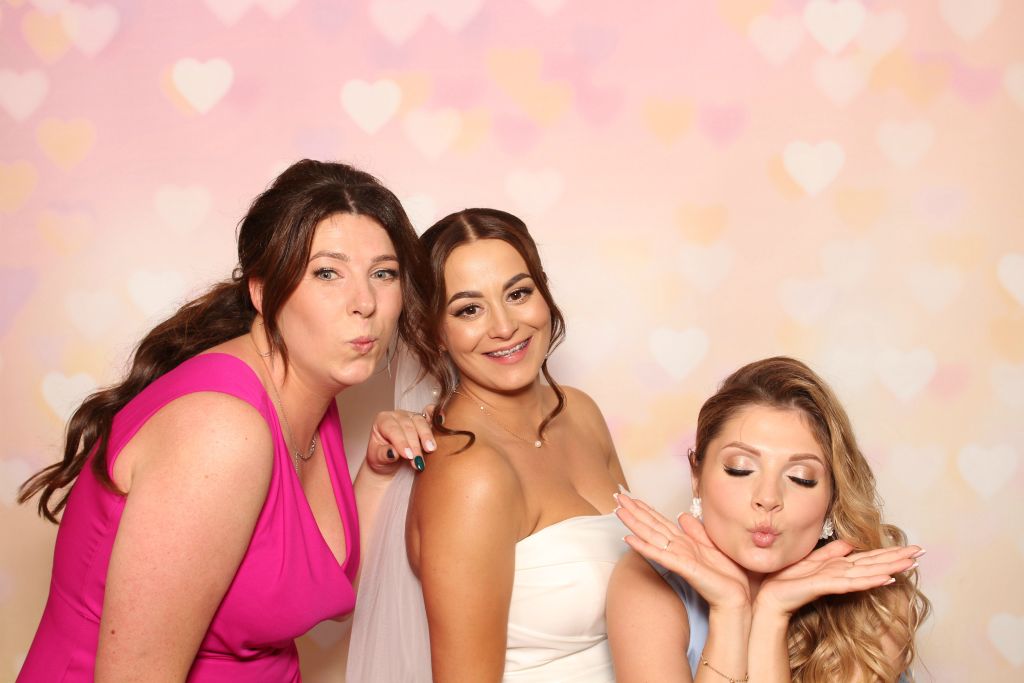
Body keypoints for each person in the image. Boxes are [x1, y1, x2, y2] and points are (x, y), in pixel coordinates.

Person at [16, 159, 438, 682]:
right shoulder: (219, 430)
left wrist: (376, 472)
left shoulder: (307, 392)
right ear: (263, 292)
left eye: (383, 273)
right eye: (327, 273)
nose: (366, 303)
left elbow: (317, 583)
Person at [347, 208, 629, 682]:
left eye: (518, 293)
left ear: (544, 294)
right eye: (468, 309)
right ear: (435, 332)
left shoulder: (580, 411)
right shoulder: (468, 473)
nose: (503, 326)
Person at [608, 356, 930, 683]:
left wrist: (771, 614)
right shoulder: (647, 581)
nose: (768, 498)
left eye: (801, 477)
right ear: (697, 477)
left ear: (832, 496)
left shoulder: (878, 600)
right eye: (740, 469)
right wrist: (730, 610)